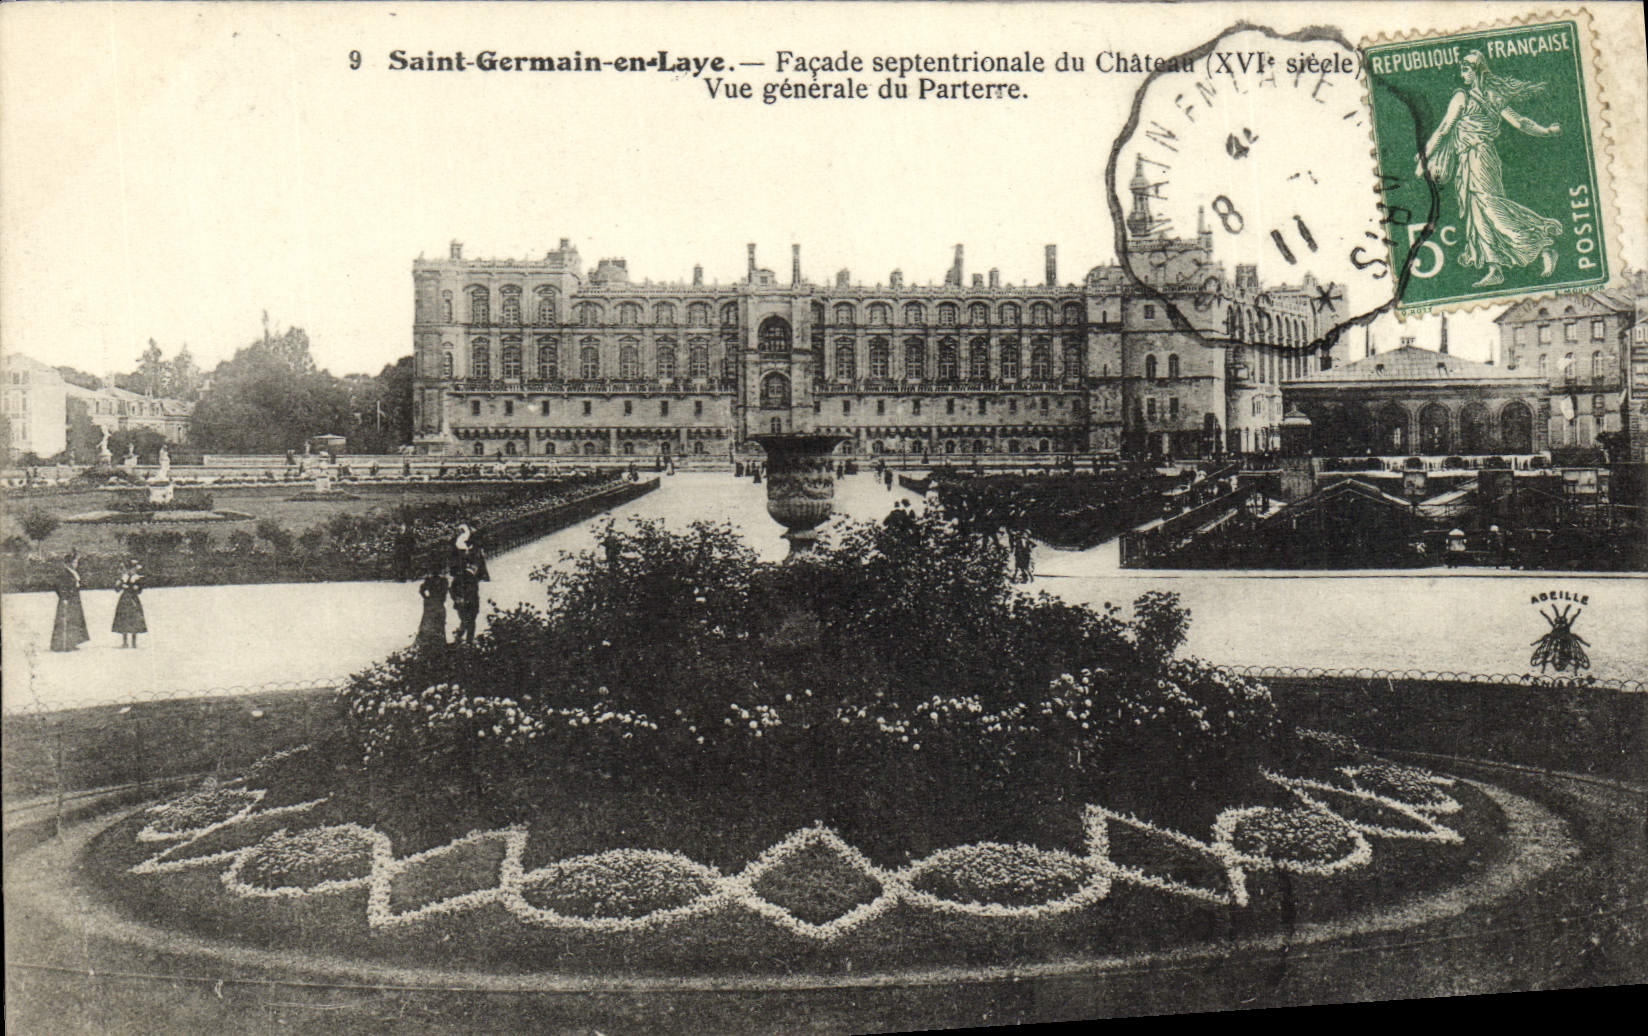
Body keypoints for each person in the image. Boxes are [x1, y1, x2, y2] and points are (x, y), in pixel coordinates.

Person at [1417, 50, 1563, 288]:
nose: (1461, 74)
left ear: (1477, 71)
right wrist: (1546, 131)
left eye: (1465, 69)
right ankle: (1494, 268)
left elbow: (1444, 129)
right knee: (1477, 213)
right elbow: (1520, 122)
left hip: (1480, 157)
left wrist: (1425, 153)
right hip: (1469, 159)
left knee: (1491, 207)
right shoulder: (1493, 96)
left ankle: (1543, 246)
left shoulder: (1463, 98)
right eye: (1461, 69)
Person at [50, 551, 90, 652]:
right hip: (67, 600)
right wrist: (63, 597)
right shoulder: (64, 573)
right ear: (68, 563)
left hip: (75, 599)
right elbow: (57, 586)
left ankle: (72, 643)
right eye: (74, 562)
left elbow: (80, 585)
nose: (76, 564)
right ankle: (62, 645)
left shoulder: (74, 573)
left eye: (76, 562)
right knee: (66, 621)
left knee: (74, 620)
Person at [112, 558, 147, 648]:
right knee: (124, 619)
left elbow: (140, 590)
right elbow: (116, 589)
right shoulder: (124, 577)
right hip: (125, 599)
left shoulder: (136, 578)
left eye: (134, 569)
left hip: (133, 599)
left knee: (135, 619)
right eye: (132, 569)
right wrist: (121, 583)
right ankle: (125, 642)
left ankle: (134, 642)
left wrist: (136, 587)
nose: (133, 570)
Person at [415, 567, 450, 651]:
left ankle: (428, 641)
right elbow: (445, 592)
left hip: (431, 603)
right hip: (439, 603)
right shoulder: (443, 581)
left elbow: (421, 590)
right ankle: (440, 641)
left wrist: (426, 598)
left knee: (428, 622)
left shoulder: (429, 581)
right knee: (439, 622)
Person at [450, 561, 481, 646]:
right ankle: (468, 641)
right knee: (471, 623)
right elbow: (473, 593)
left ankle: (459, 637)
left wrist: (457, 599)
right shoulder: (472, 578)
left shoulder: (459, 576)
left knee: (465, 621)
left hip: (461, 604)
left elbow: (452, 589)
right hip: (470, 604)